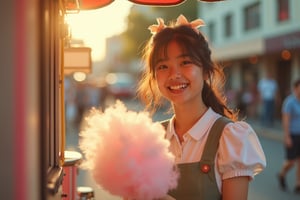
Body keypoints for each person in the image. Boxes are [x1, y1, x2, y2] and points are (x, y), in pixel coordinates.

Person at [137, 14, 266, 200]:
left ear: (206, 70)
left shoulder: (230, 138)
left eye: (185, 63)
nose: (174, 74)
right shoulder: (151, 139)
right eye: (163, 66)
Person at [278, 79, 300, 194]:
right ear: (296, 88)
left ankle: (298, 184)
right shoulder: (289, 102)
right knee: (291, 162)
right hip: (292, 135)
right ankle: (281, 174)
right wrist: (287, 137)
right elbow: (285, 120)